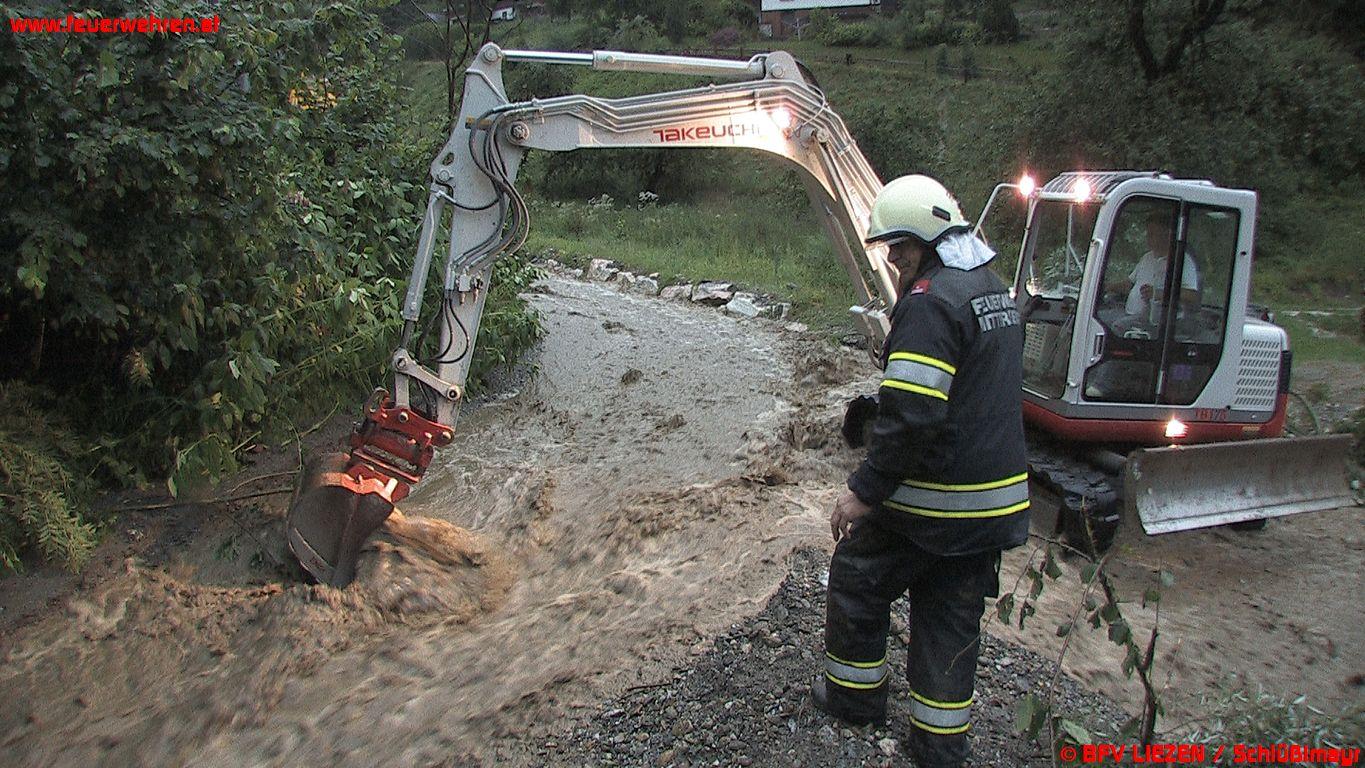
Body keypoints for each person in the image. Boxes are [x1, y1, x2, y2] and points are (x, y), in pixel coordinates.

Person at [811, 175, 1030, 768]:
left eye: (900, 246)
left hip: (934, 502)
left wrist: (862, 492)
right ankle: (938, 746)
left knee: (858, 576)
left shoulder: (931, 302)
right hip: (992, 509)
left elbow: (909, 416)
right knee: (948, 618)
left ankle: (854, 701)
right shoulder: (992, 289)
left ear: (929, 238)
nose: (893, 258)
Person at [1110, 212, 1200, 326]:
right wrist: (1107, 287)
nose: (1147, 237)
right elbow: (1129, 284)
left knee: (1113, 327)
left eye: (1152, 234)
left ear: (1166, 234)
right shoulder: (1147, 257)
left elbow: (1192, 295)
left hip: (1158, 326)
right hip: (1131, 316)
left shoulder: (1182, 261)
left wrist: (1158, 294)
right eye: (1148, 234)